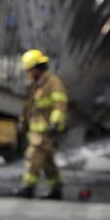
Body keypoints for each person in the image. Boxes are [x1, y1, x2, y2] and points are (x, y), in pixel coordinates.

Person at [17, 49, 68, 200]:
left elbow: (60, 104)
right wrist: (23, 123)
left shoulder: (53, 82)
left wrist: (55, 123)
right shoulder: (35, 84)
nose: (28, 73)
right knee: (47, 162)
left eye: (29, 70)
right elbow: (29, 106)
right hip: (36, 129)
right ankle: (56, 189)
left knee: (33, 156)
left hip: (46, 131)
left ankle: (28, 187)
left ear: (35, 68)